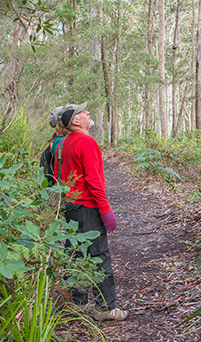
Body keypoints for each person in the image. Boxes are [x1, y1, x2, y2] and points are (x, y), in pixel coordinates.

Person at [57, 102, 129, 321]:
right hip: (88, 207)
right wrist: (106, 210)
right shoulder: (86, 142)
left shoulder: (65, 143)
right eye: (83, 112)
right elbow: (93, 180)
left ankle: (76, 303)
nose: (88, 113)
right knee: (99, 256)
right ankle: (104, 308)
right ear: (76, 121)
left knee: (76, 253)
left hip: (72, 207)